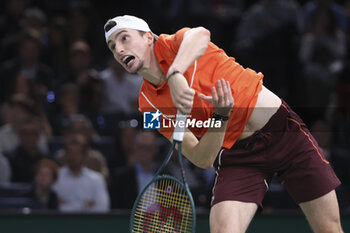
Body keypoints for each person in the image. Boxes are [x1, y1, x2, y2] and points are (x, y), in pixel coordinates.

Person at [103, 15, 343, 232]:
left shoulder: (177, 42)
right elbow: (201, 158)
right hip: (238, 158)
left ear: (147, 37)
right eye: (113, 47)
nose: (119, 49)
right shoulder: (147, 108)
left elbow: (201, 34)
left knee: (329, 229)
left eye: (125, 38)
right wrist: (220, 117)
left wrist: (175, 74)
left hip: (283, 133)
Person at [53, 134, 110, 213]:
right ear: (65, 154)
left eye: (77, 153)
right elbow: (54, 208)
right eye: (70, 152)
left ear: (84, 156)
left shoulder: (97, 179)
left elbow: (102, 208)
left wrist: (67, 205)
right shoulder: (56, 176)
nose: (73, 157)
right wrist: (85, 205)